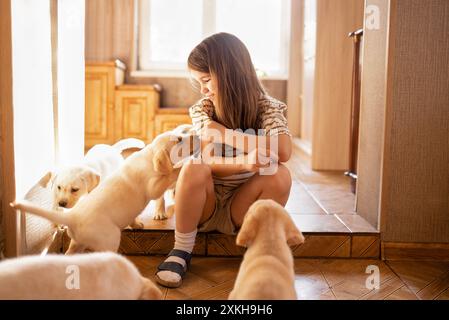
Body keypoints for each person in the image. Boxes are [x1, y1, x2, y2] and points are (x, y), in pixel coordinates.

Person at [155, 32, 292, 288]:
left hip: (240, 208)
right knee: (193, 166)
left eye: (206, 80)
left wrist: (223, 133)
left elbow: (283, 151)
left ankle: (256, 246)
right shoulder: (203, 109)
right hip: (204, 205)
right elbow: (209, 160)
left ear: (230, 73)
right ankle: (182, 249)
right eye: (199, 83)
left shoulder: (267, 108)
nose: (204, 90)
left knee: (281, 174)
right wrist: (245, 162)